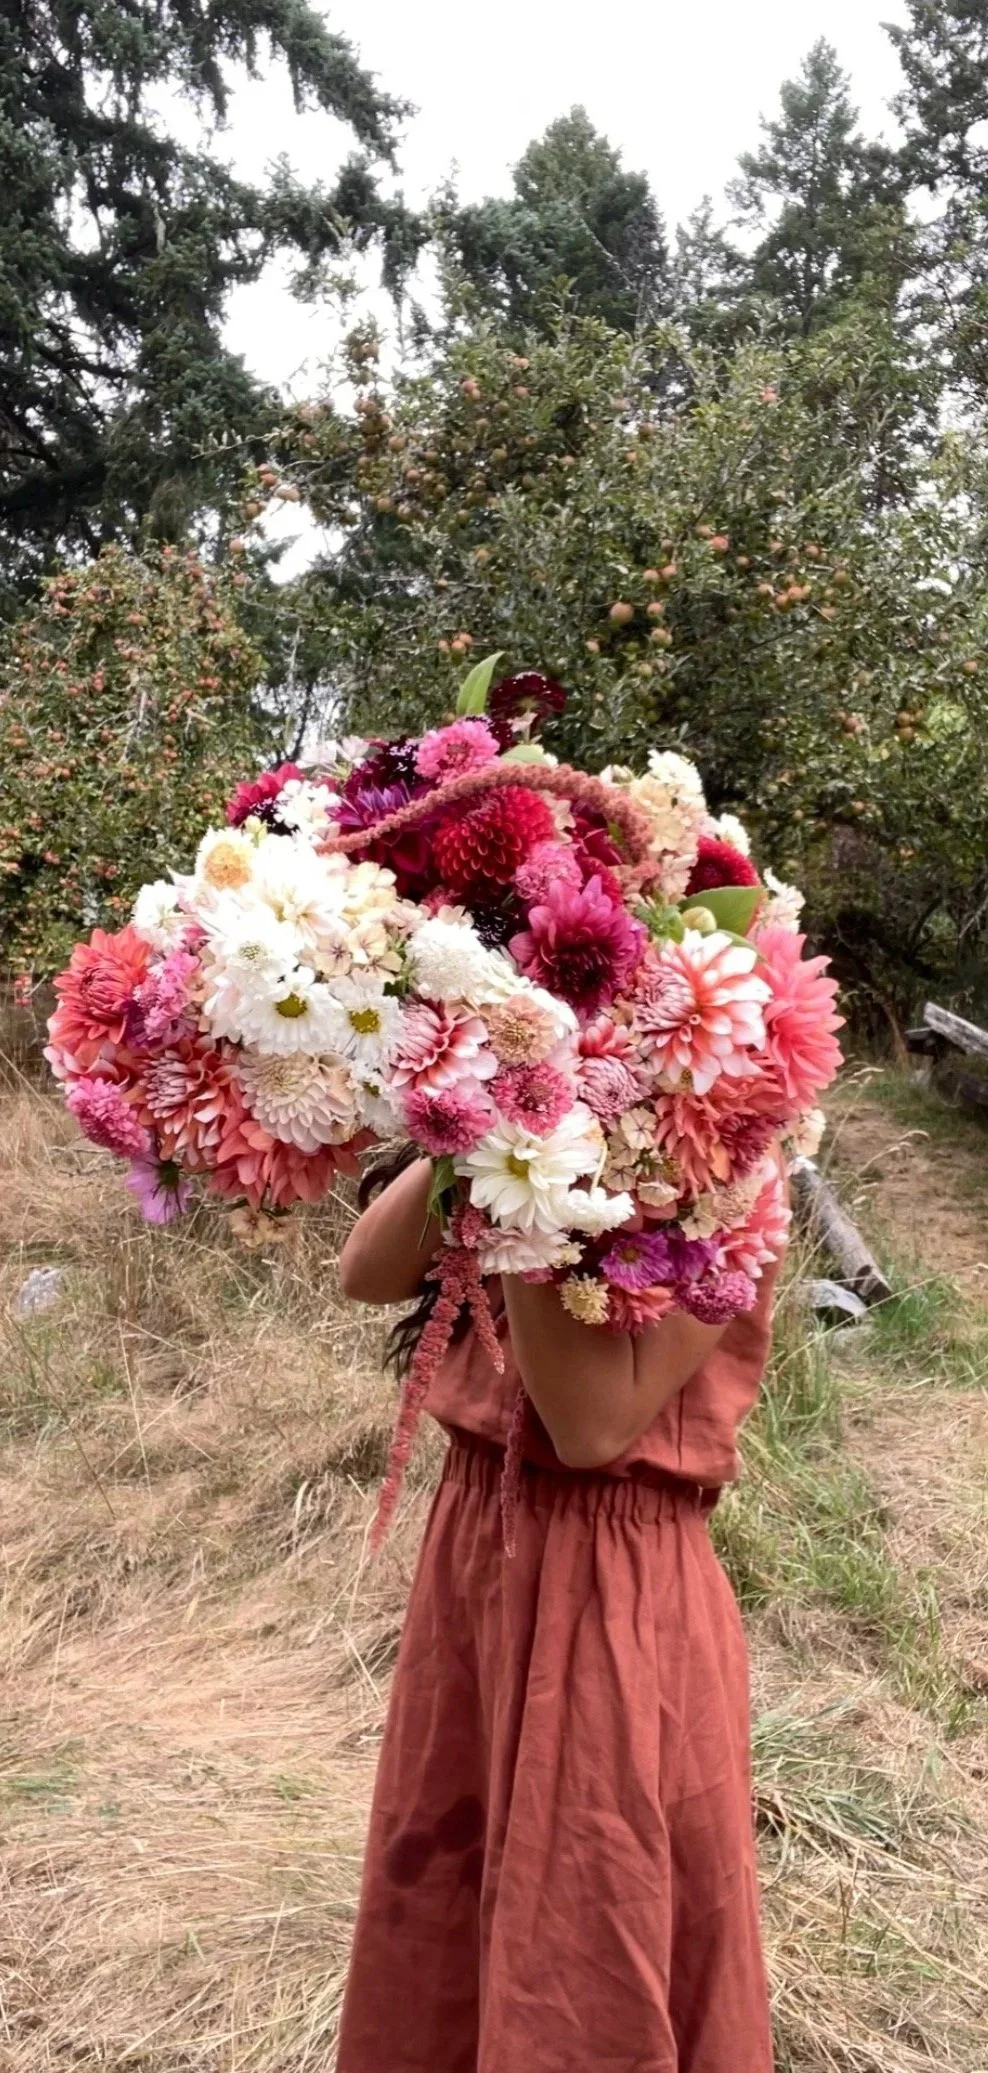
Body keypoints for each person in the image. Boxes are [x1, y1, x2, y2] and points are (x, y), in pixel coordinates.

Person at [335, 1146, 782, 2073]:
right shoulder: (530, 1118)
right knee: (447, 1911)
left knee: (584, 1933)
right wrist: (474, 1125)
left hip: (611, 1583)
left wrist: (527, 1187)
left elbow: (591, 1428)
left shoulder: (728, 1162)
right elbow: (365, 1273)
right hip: (474, 1559)